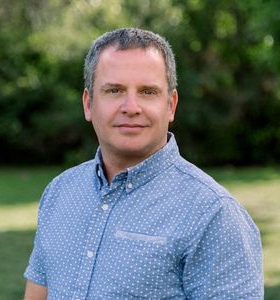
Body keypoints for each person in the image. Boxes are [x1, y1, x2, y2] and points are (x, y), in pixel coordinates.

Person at [24, 28, 263, 299]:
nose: (131, 107)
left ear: (170, 105)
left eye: (148, 92)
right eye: (114, 90)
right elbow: (37, 292)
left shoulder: (213, 214)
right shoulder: (60, 192)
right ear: (89, 104)